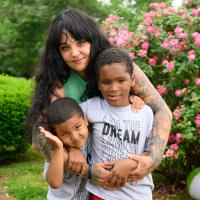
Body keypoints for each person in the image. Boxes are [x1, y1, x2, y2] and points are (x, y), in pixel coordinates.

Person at [27, 8, 172, 188]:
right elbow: (40, 136)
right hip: (75, 181)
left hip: (124, 173)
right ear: (57, 52)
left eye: (80, 42)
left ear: (93, 40)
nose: (74, 52)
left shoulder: (117, 67)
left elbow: (162, 111)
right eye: (65, 47)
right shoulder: (56, 83)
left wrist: (152, 160)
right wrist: (85, 167)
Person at [80, 47, 154, 200]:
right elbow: (66, 124)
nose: (114, 88)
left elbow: (150, 151)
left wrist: (130, 164)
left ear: (132, 80)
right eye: (106, 82)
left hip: (137, 193)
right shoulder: (91, 107)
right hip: (102, 193)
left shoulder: (145, 112)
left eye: (121, 80)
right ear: (99, 84)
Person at [39, 97, 90, 199]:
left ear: (85, 120)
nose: (75, 137)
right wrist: (58, 149)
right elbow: (54, 183)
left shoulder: (94, 137)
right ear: (57, 135)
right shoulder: (56, 149)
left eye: (77, 127)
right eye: (65, 133)